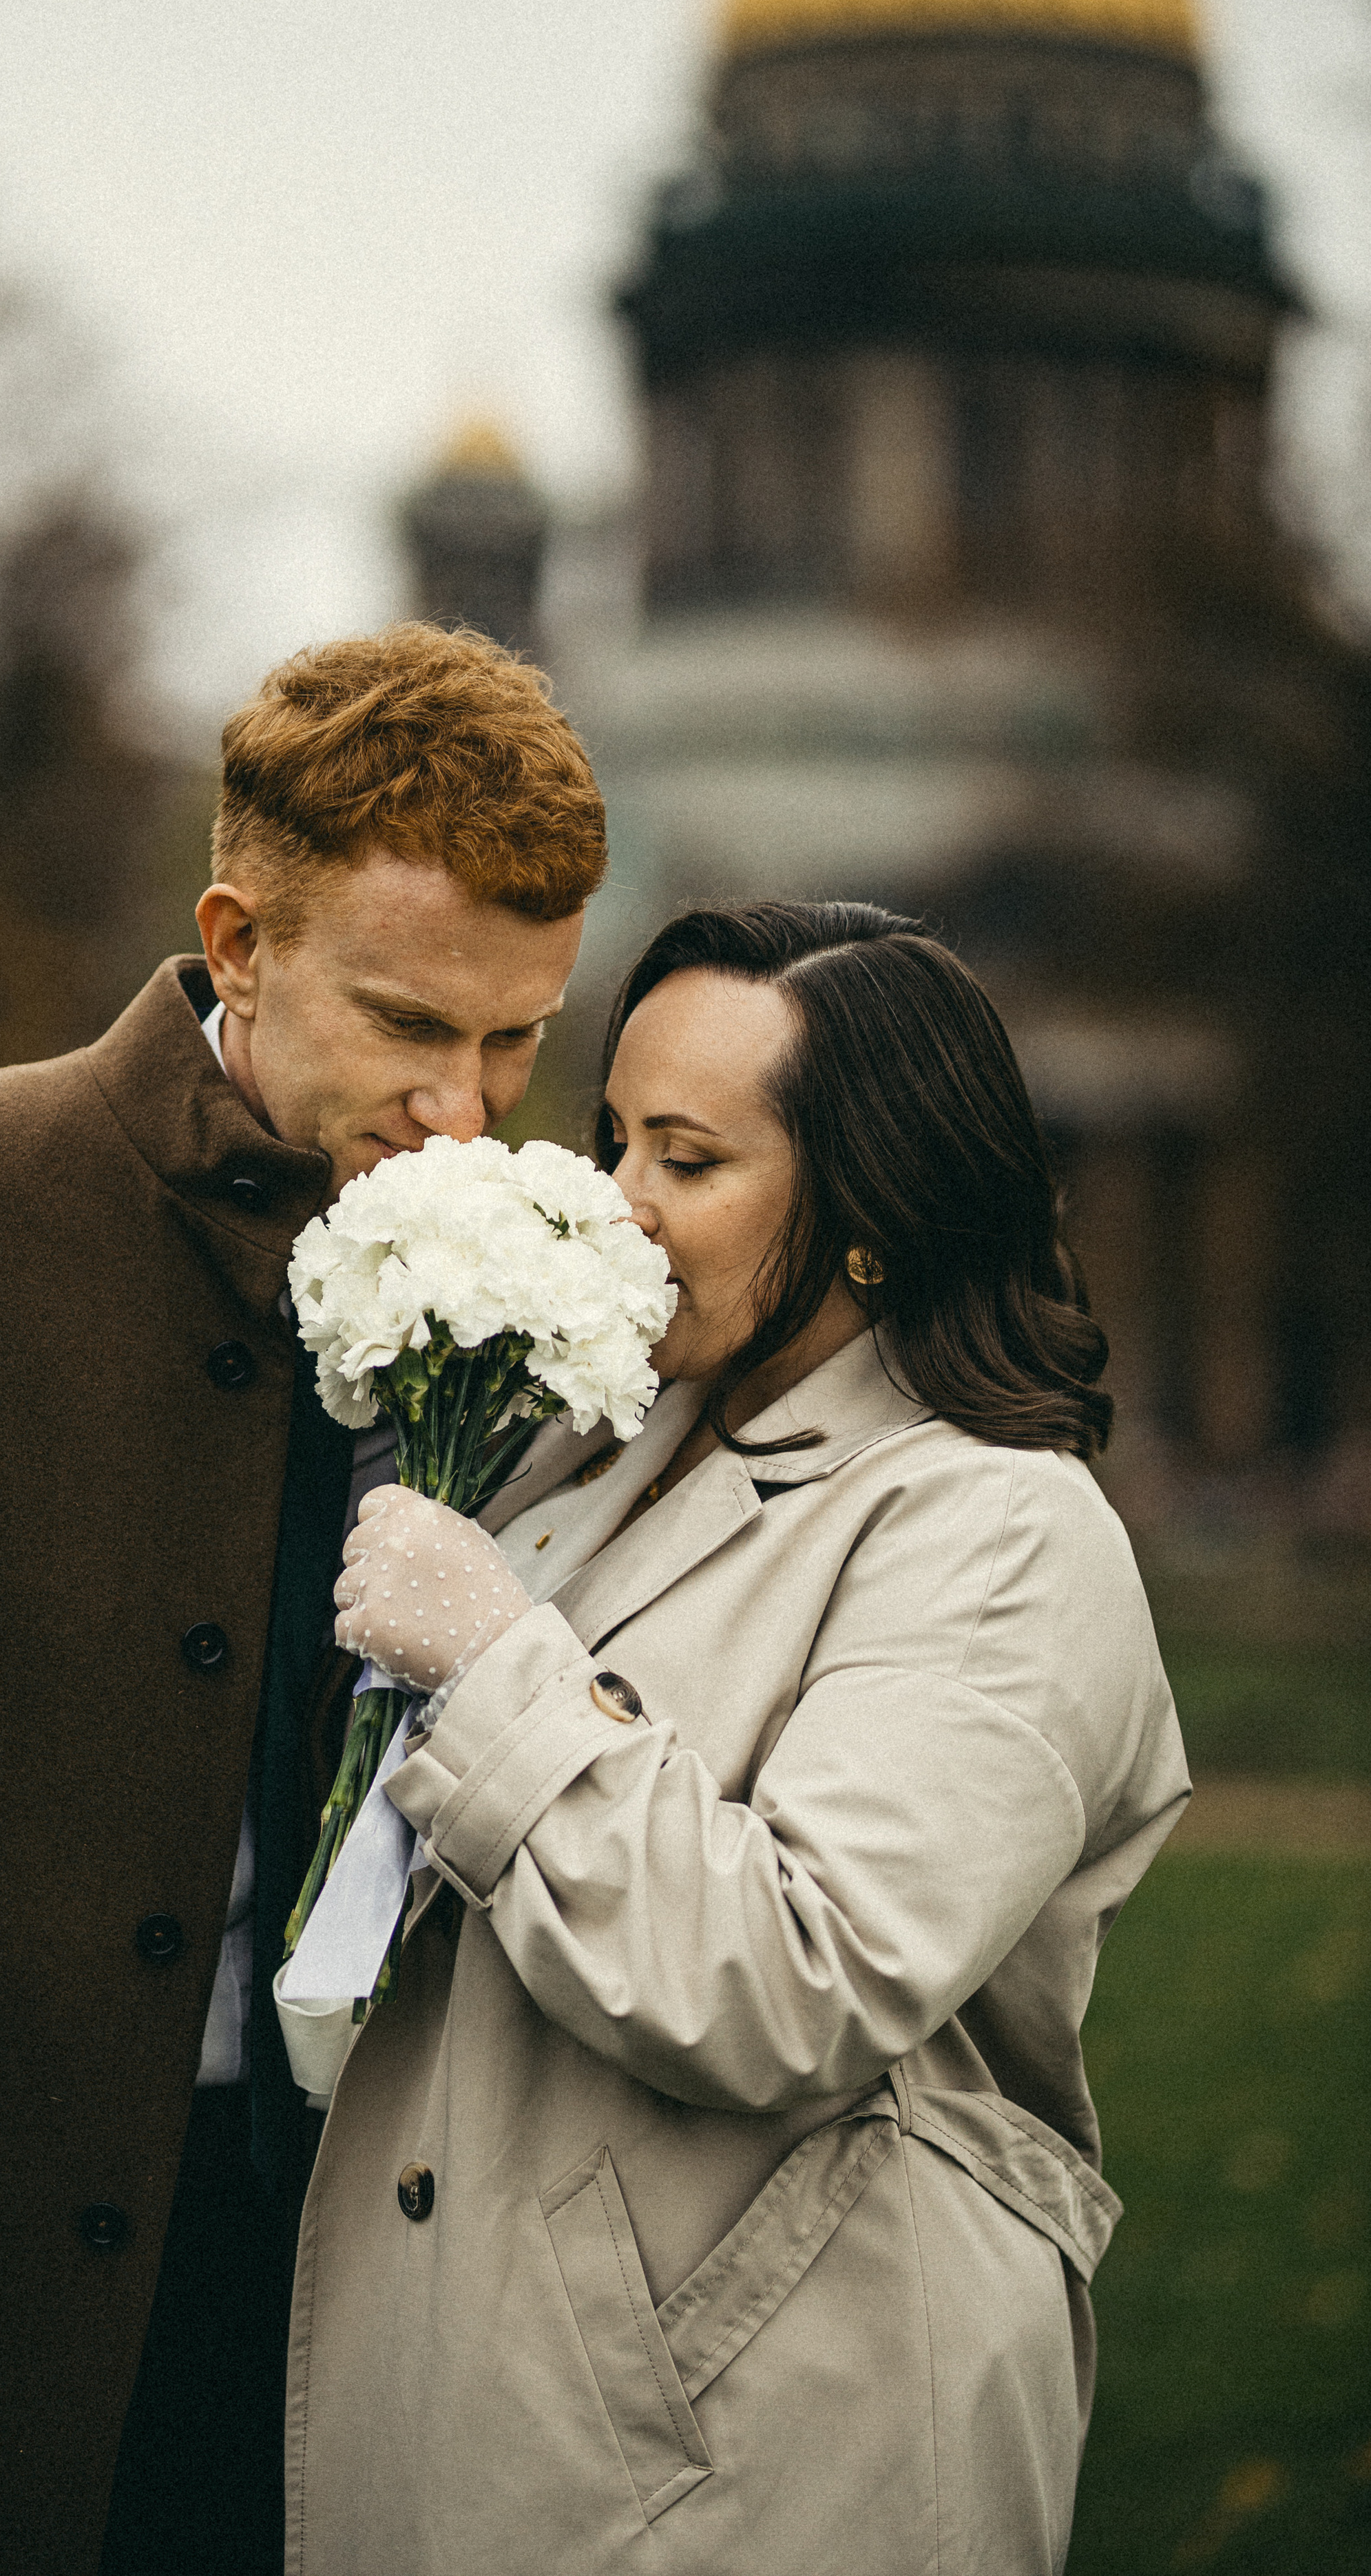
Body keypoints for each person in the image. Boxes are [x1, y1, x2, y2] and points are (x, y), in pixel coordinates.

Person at [0, 621, 605, 2576]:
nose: (469, 1112)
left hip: (351, 2316)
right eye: (411, 1026)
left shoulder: (529, 1274)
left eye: (518, 1040)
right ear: (237, 944)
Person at [304, 900, 1189, 2576]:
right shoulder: (591, 1450)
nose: (613, 1203)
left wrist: (495, 1662)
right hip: (494, 2404)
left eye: (687, 1160)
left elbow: (794, 1977)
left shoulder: (998, 1531)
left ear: (870, 1215)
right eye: (612, 1137)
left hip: (766, 2449)